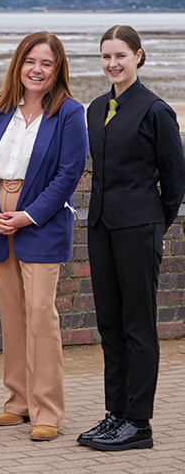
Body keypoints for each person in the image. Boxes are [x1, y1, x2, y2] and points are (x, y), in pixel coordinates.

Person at [0, 32, 88, 442]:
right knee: (12, 316)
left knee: (40, 316)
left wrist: (27, 216)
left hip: (40, 217)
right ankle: (17, 402)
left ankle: (47, 410)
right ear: (19, 64)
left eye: (47, 63)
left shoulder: (70, 113)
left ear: (58, 70)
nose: (37, 69)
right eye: (30, 61)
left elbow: (69, 175)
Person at [78, 25, 185, 451]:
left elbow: (176, 179)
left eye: (121, 55)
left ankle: (139, 423)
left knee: (138, 325)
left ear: (138, 57)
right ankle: (115, 413)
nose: (112, 64)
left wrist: (156, 225)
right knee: (109, 324)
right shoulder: (96, 107)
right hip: (101, 228)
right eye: (106, 56)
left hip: (139, 228)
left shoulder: (156, 110)